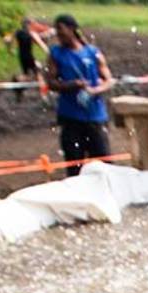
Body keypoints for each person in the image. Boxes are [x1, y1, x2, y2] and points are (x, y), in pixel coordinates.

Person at [45, 14, 112, 178]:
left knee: (104, 164)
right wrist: (71, 85)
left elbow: (108, 80)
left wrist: (94, 90)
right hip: (71, 118)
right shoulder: (56, 54)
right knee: (74, 165)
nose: (58, 34)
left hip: (95, 117)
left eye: (61, 30)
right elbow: (51, 82)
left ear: (72, 29)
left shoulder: (93, 53)